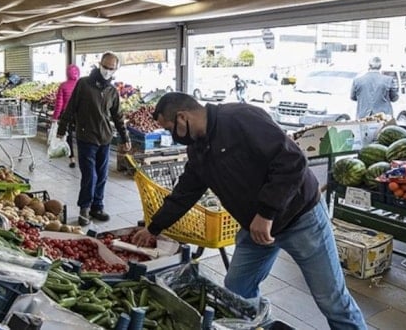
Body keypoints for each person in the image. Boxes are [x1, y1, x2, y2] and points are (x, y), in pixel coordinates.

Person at [132, 92, 367, 330]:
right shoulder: (198, 148)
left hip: (300, 219)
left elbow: (293, 161)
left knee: (332, 300)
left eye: (169, 128)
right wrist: (154, 227)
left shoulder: (240, 118)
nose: (172, 136)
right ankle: (259, 325)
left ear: (182, 117)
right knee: (238, 289)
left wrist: (266, 213)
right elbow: (186, 191)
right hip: (255, 228)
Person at [57, 52, 131, 225]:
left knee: (102, 175)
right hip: (86, 137)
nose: (107, 71)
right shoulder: (83, 84)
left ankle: (97, 207)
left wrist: (125, 137)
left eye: (111, 68)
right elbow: (71, 107)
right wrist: (62, 129)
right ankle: (84, 208)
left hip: (105, 138)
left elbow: (118, 116)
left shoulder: (112, 91)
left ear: (116, 69)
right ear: (100, 64)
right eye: (105, 67)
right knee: (90, 175)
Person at [52, 64, 81, 168]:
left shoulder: (63, 85)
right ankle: (82, 158)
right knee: (80, 136)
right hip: (79, 115)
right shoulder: (81, 84)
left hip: (66, 115)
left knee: (68, 137)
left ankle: (72, 158)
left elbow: (59, 104)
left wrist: (55, 117)